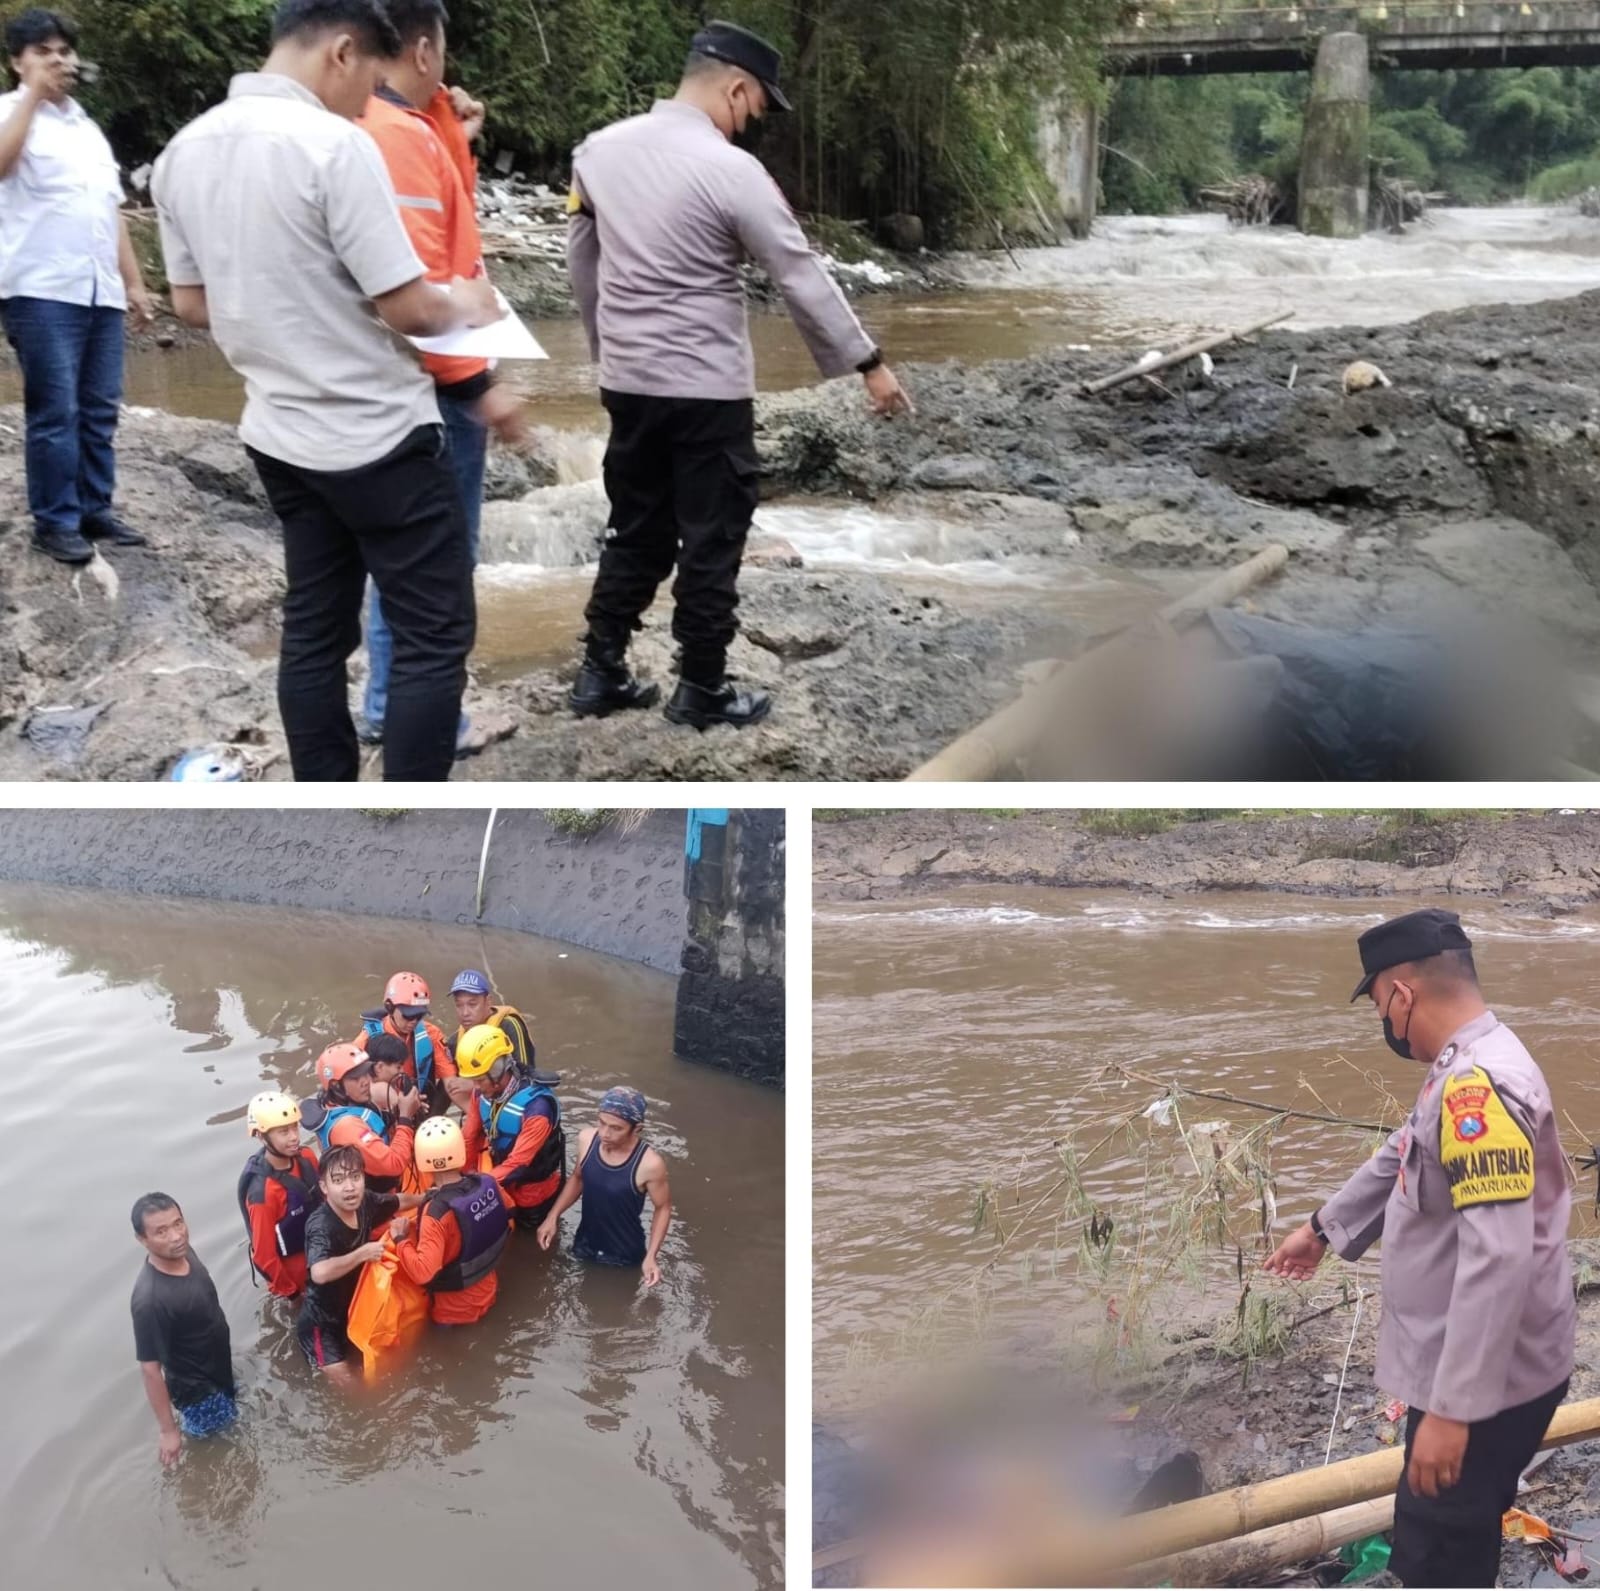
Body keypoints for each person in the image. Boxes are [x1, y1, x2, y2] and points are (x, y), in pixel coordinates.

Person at [150, 0, 504, 782]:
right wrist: (469, 302)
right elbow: (409, 307)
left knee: (314, 629)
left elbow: (191, 303)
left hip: (279, 434)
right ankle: (411, 814)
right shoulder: (334, 147)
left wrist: (282, 307)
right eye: (372, 81)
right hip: (378, 436)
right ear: (342, 52)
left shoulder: (183, 150)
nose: (369, 101)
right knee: (432, 636)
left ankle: (324, 793)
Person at [565, 20, 912, 731]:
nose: (751, 122)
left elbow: (582, 263)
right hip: (705, 390)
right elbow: (797, 272)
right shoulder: (731, 171)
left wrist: (608, 348)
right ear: (735, 87)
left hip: (629, 382)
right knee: (713, 534)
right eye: (755, 107)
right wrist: (867, 363)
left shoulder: (598, 152)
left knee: (635, 526)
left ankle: (600, 672)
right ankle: (701, 688)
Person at [1263, 909, 1575, 1589]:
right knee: (1446, 1532)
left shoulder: (1476, 1085)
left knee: (1438, 1554)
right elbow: (1401, 1152)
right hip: (1496, 1366)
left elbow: (1498, 1254)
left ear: (1402, 995)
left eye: (1379, 1002)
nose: (1383, 1019)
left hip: (1484, 1383)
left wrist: (1452, 1412)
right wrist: (1321, 1230)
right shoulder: (1465, 1060)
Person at [354, 0, 527, 752]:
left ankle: (392, 701)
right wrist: (475, 388)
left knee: (405, 560)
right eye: (445, 54)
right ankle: (414, 713)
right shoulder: (394, 137)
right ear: (423, 51)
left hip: (400, 381)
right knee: (436, 568)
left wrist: (454, 130)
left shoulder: (392, 125)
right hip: (431, 383)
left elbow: (442, 221)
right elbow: (422, 287)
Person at [0, 7, 154, 564]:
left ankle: (94, 508)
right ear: (17, 62)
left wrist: (134, 284)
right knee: (54, 409)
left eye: (64, 51)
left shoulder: (88, 129)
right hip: (40, 290)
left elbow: (108, 211)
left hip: (99, 292)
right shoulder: (8, 113)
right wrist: (32, 99)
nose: (58, 60)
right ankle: (55, 521)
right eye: (43, 51)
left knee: (98, 408)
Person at [297, 1143, 423, 1383]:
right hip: (322, 1324)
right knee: (352, 1389)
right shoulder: (320, 1225)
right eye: (339, 1180)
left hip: (355, 1310)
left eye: (355, 1177)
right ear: (324, 1186)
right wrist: (362, 1253)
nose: (349, 1187)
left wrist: (427, 1197)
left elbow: (397, 1201)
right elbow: (319, 1273)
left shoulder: (365, 1201)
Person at [130, 1192, 237, 1467]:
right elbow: (150, 1369)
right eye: (161, 1231)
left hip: (220, 1370)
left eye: (178, 1223)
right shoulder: (150, 1300)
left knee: (234, 1433)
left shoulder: (185, 1251)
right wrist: (168, 1431)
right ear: (142, 1240)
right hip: (199, 1394)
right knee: (222, 1457)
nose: (176, 1236)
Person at [537, 1087, 670, 1285]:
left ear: (636, 1129)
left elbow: (663, 1208)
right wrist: (552, 1216)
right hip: (585, 1241)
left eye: (616, 1128)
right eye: (601, 1123)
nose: (605, 1133)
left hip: (623, 1253)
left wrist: (651, 1256)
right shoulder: (586, 1139)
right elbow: (578, 1178)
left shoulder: (650, 1164)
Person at [394, 1115, 511, 1325]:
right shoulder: (487, 1182)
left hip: (454, 1312)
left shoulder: (436, 1212)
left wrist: (400, 1240)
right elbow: (509, 1212)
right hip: (490, 1290)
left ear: (422, 1160)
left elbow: (423, 1273)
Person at [458, 1023, 565, 1231]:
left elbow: (518, 1163)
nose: (476, 1087)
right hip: (501, 1182)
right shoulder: (481, 1093)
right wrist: (461, 1178)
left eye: (480, 1080)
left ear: (498, 1070)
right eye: (473, 1080)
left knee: (528, 1246)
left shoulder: (537, 1108)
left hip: (534, 1195)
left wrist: (476, 1186)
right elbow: (470, 1137)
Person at [236, 1090, 321, 1297]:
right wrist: (292, 1294)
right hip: (297, 1282)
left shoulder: (307, 1158)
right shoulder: (262, 1193)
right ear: (261, 1136)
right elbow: (264, 1257)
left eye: (295, 1128)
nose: (294, 1138)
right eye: (284, 1132)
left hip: (321, 1258)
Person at [309, 1041, 420, 1194]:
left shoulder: (342, 1102)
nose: (366, 1081)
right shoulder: (347, 1127)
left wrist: (401, 1110)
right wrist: (405, 1117)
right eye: (356, 1078)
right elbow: (394, 1165)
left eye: (366, 1073)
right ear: (336, 1085)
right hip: (374, 1206)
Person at [356, 971, 466, 1112]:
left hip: (422, 1104)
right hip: (383, 1109)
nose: (414, 1021)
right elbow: (350, 1085)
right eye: (408, 1015)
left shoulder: (431, 1034)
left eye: (419, 1015)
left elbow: (451, 1083)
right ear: (390, 1007)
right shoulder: (366, 1040)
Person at [447, 967, 534, 1070]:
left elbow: (526, 1073)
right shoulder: (454, 1042)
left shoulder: (509, 1026)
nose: (465, 1013)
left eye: (472, 1004)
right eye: (459, 1005)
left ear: (488, 1001)